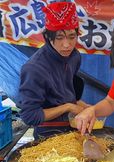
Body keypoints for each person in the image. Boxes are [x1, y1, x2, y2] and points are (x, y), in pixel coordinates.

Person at [18, 1, 89, 139]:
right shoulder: (34, 69)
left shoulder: (74, 56)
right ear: (48, 37)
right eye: (59, 38)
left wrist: (80, 104)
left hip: (71, 126)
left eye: (72, 37)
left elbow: (65, 89)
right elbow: (30, 116)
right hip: (47, 133)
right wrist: (68, 107)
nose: (67, 45)